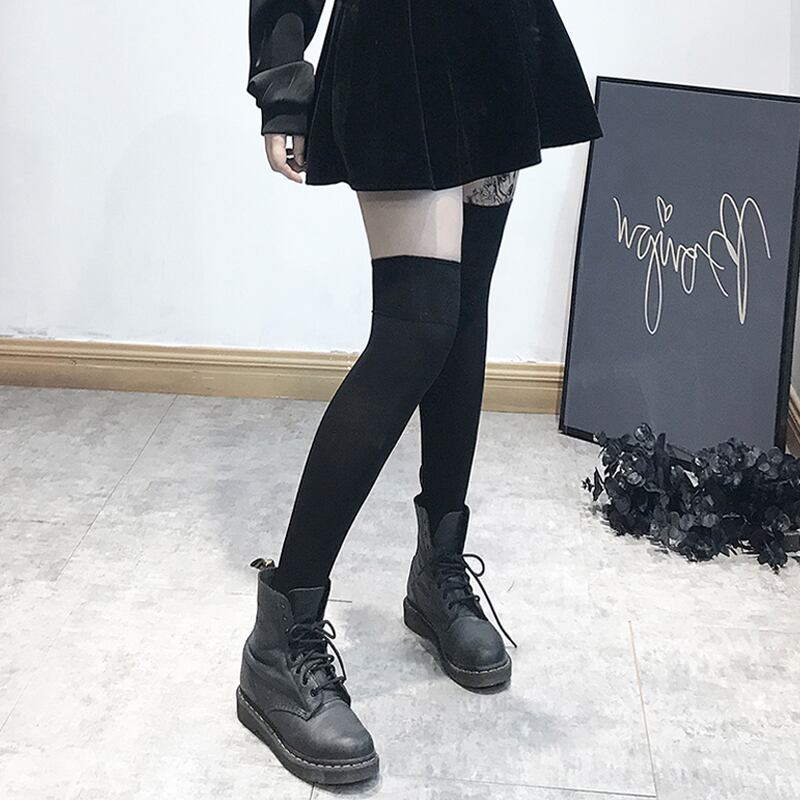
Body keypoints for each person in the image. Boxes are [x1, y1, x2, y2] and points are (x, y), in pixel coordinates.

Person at [236, 0, 604, 786]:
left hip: (493, 42)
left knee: (464, 314)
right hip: (395, 49)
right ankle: (280, 636)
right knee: (416, 330)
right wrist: (283, 77)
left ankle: (437, 569)